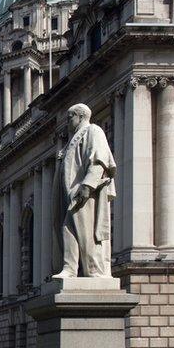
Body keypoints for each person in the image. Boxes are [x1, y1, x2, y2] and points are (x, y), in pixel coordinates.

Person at [51, 103, 117, 279]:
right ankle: (70, 268)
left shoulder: (93, 131)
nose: (67, 122)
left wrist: (87, 185)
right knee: (68, 227)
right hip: (72, 193)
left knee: (87, 233)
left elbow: (99, 159)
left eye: (70, 117)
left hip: (86, 193)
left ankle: (93, 270)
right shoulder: (72, 139)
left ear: (80, 116)